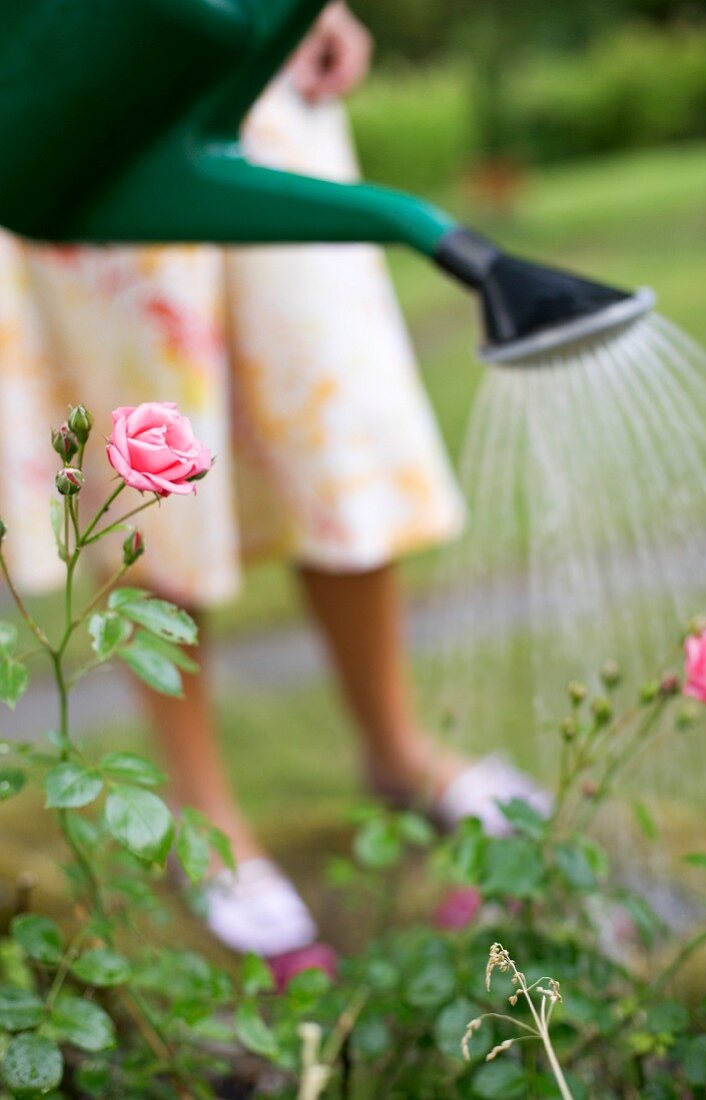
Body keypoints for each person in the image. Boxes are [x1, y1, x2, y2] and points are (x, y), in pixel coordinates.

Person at [0, 3, 547, 984]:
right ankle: (204, 806)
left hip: (253, 69)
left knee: (328, 412)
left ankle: (395, 745)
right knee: (142, 452)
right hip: (86, 82)